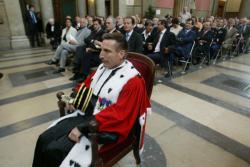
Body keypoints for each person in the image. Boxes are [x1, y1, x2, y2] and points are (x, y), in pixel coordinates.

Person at [32, 32, 150, 167]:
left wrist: (82, 128)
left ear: (121, 54)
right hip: (87, 115)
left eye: (107, 51)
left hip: (105, 127)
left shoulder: (134, 82)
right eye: (101, 50)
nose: (100, 56)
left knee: (54, 150)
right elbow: (86, 84)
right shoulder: (102, 67)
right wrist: (74, 97)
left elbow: (120, 115)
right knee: (43, 139)